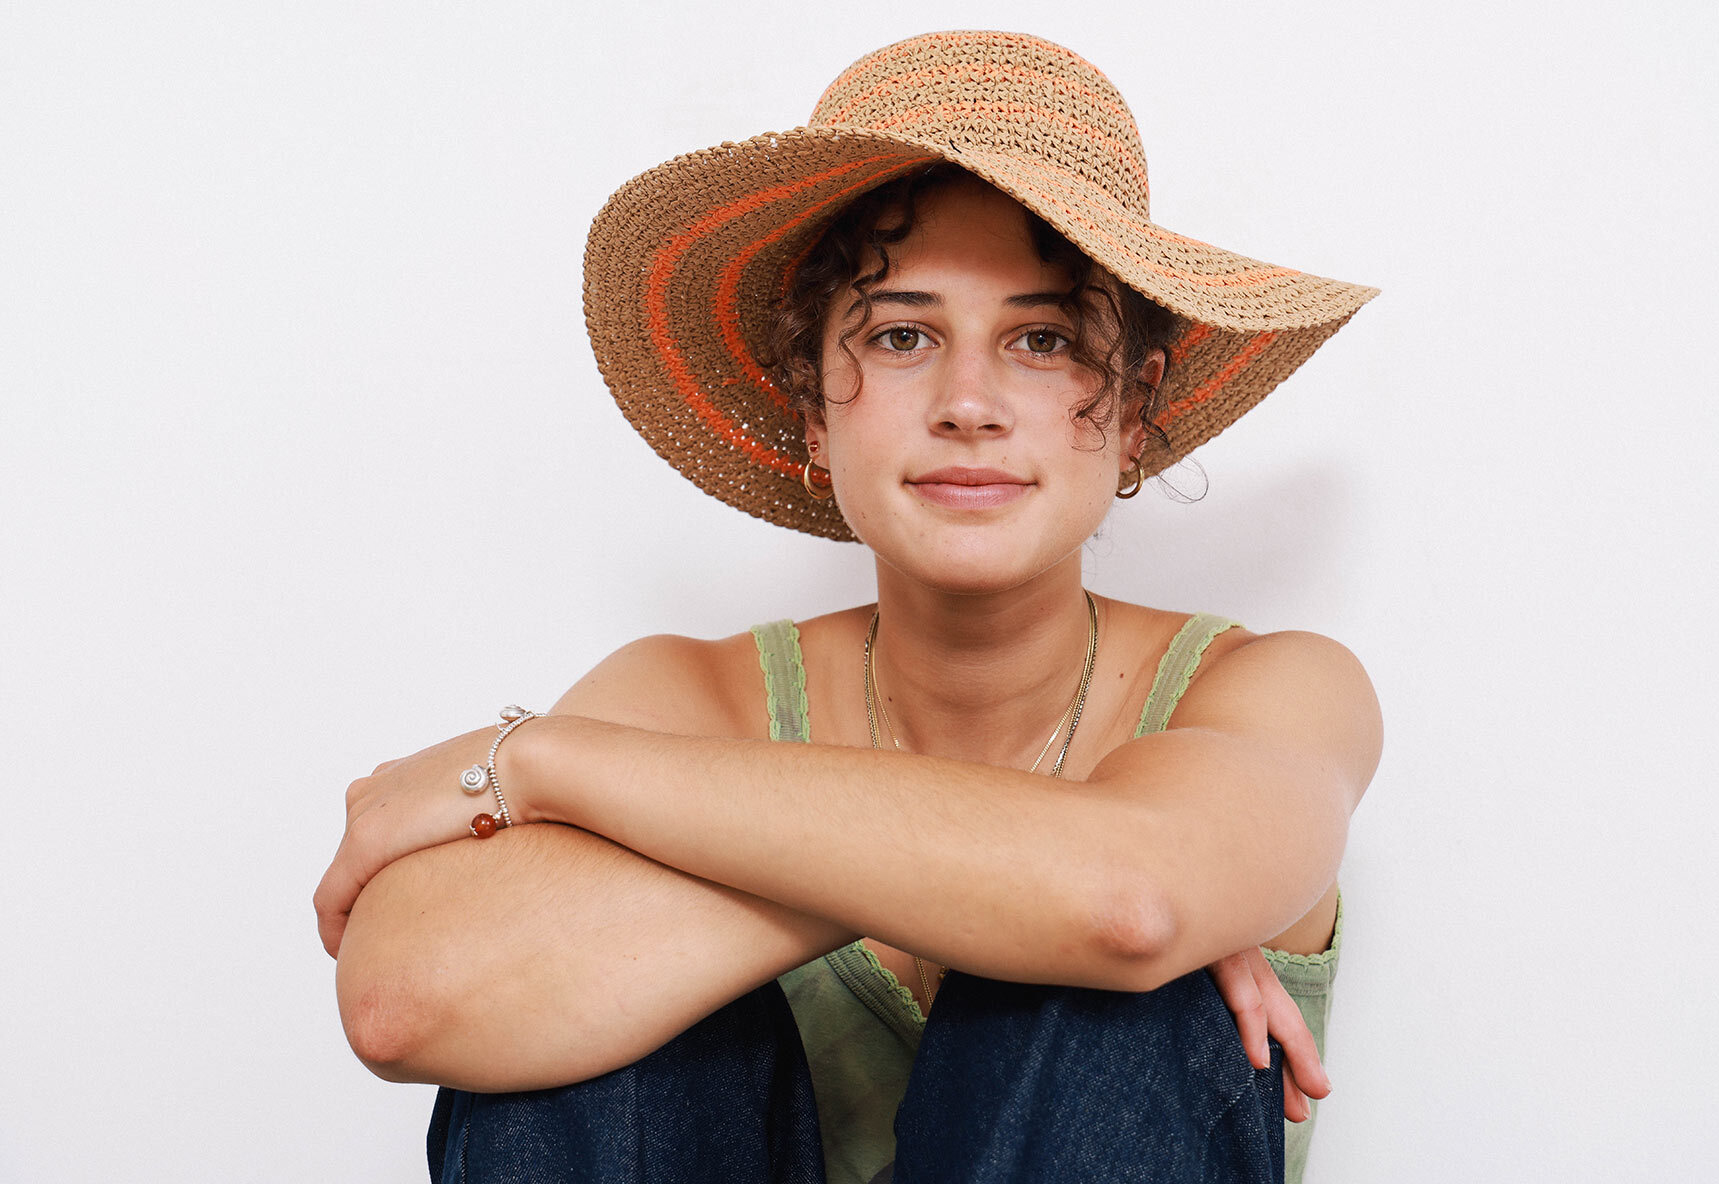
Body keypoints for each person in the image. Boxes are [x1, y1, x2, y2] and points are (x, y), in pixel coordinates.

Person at [315, 29, 1380, 1184]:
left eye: (1041, 339)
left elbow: (1125, 906)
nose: (968, 402)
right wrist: (1037, 880)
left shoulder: (1273, 689)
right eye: (902, 335)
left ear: (1132, 410)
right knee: (565, 1039)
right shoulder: (691, 695)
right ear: (815, 412)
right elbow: (406, 998)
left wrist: (545, 762)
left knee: (1118, 1000)